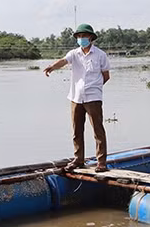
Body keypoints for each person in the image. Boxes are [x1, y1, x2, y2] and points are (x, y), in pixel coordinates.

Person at [44, 23, 110, 172]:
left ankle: (101, 162)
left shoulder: (100, 55)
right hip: (76, 96)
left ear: (91, 38)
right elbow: (63, 61)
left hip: (93, 97)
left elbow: (106, 75)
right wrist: (52, 67)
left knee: (98, 130)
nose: (81, 39)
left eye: (84, 36)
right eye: (79, 36)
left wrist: (95, 87)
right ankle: (78, 159)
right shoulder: (74, 54)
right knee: (77, 130)